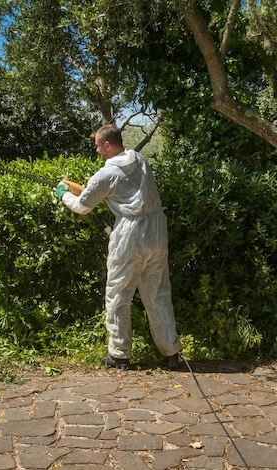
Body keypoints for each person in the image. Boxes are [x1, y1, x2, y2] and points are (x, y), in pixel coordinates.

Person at [56, 124, 182, 371]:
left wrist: (63, 195)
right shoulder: (139, 160)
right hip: (157, 228)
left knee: (118, 294)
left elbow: (83, 206)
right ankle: (171, 354)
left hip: (130, 234)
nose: (97, 152)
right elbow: (125, 191)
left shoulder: (106, 174)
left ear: (107, 145)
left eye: (97, 147)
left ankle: (120, 356)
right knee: (158, 294)